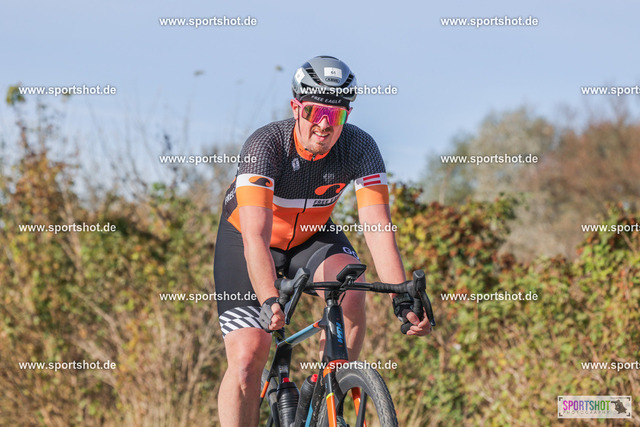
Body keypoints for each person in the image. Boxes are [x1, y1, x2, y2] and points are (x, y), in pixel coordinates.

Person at [213, 55, 431, 426]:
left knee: (353, 289)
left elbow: (377, 226)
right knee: (249, 356)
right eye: (315, 112)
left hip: (312, 235)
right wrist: (268, 297)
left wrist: (402, 296)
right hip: (249, 241)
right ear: (296, 107)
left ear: (348, 115)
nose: (325, 125)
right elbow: (255, 235)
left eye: (336, 115)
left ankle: (331, 393)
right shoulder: (266, 146)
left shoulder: (360, 147)